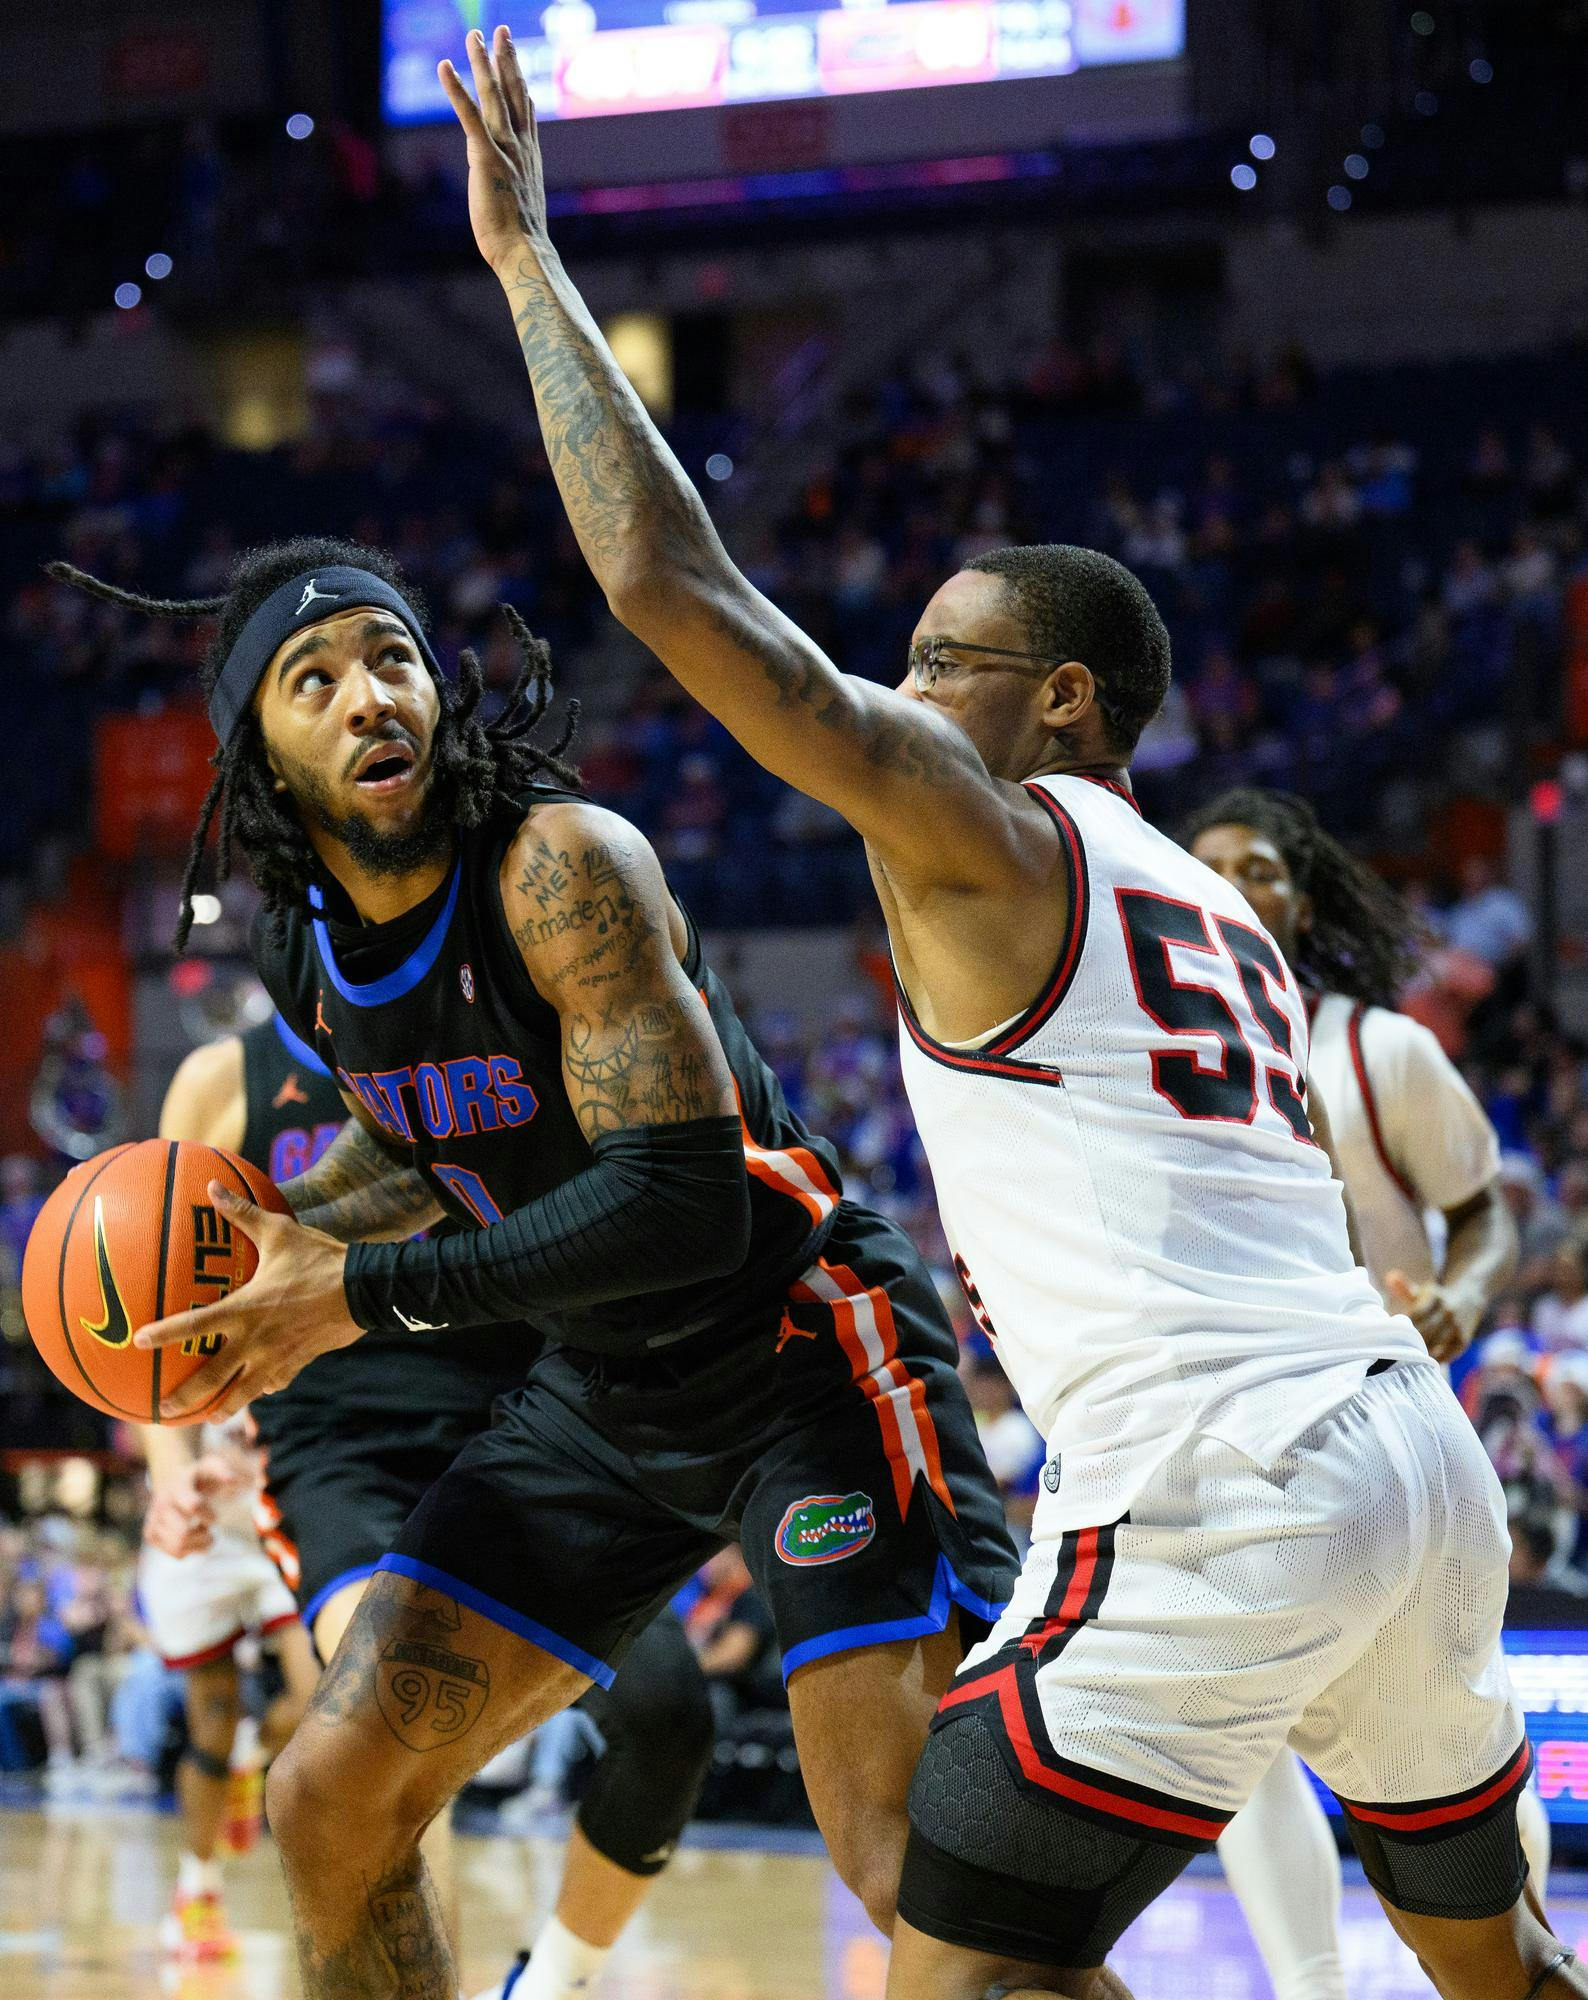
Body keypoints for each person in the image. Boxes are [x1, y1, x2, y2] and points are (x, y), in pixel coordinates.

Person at [422, 28, 1585, 1999]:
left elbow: (664, 579)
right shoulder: (1207, 900)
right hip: (1411, 1468)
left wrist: (530, 263)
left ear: (1061, 703)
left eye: (939, 659)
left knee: (944, 1971)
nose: (896, 683)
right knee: (1492, 1964)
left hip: (1229, 1487)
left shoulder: (995, 837)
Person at [56, 557, 1016, 1988]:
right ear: (263, 757)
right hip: (605, 1397)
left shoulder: (563, 865)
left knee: (913, 1877)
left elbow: (680, 1202)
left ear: (442, 688)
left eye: (391, 656)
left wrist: (356, 1292)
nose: (368, 694)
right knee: (329, 1801)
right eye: (311, 681)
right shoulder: (308, 945)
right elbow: (428, 1137)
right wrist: (305, 1227)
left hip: (794, 1349)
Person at [153, 1010, 719, 2000]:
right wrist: (175, 1463)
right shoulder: (221, 1078)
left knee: (670, 1711)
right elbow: (162, 1305)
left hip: (518, 1421)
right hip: (336, 1450)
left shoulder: (488, 1029)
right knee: (400, 1727)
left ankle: (545, 1984)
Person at [1183, 787, 1536, 2000]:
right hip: (1240, 1428)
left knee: (1460, 1738)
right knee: (1247, 1743)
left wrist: (1465, 1297)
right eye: (1205, 864)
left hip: (1399, 1421)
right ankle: (1313, 1988)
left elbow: (1486, 1204)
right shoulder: (1152, 1053)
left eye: (1260, 866)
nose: (1232, 883)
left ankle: (1520, 1961)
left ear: (1305, 893)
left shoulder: (1380, 1047)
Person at [137, 1408, 318, 1961]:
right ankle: (197, 1889)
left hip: (279, 1523)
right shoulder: (186, 1328)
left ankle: (253, 1754)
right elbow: (152, 1405)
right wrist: (180, 1470)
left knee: (325, 1700)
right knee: (212, 1719)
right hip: (201, 1531)